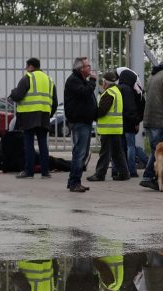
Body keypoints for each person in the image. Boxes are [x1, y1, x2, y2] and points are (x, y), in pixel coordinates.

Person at [9, 57, 57, 179]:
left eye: (27, 67)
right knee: (43, 144)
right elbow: (55, 102)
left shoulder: (28, 78)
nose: (26, 69)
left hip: (29, 115)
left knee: (29, 144)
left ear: (30, 66)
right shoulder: (49, 80)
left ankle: (29, 171)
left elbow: (18, 95)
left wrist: (13, 92)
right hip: (44, 115)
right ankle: (45, 172)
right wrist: (49, 113)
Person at [139, 51, 163, 191]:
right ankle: (149, 177)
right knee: (160, 151)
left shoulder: (153, 74)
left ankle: (155, 179)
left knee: (156, 150)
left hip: (150, 117)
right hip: (161, 119)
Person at [86, 72, 130, 182]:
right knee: (117, 152)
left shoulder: (109, 93)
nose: (102, 84)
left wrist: (93, 114)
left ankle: (100, 174)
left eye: (102, 82)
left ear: (105, 82)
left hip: (108, 128)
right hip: (116, 128)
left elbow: (102, 110)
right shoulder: (117, 92)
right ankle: (124, 173)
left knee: (105, 153)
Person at [64, 57, 97, 192]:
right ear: (81, 69)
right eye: (87, 66)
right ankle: (74, 182)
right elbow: (85, 93)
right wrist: (93, 81)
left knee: (81, 153)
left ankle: (73, 180)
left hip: (85, 120)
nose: (90, 68)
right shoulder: (74, 80)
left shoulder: (81, 80)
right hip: (79, 121)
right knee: (80, 152)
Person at [116, 67, 144, 178]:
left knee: (121, 147)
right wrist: (136, 121)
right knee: (131, 146)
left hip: (118, 123)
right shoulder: (129, 90)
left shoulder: (117, 88)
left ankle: (121, 169)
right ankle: (132, 170)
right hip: (129, 123)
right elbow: (131, 109)